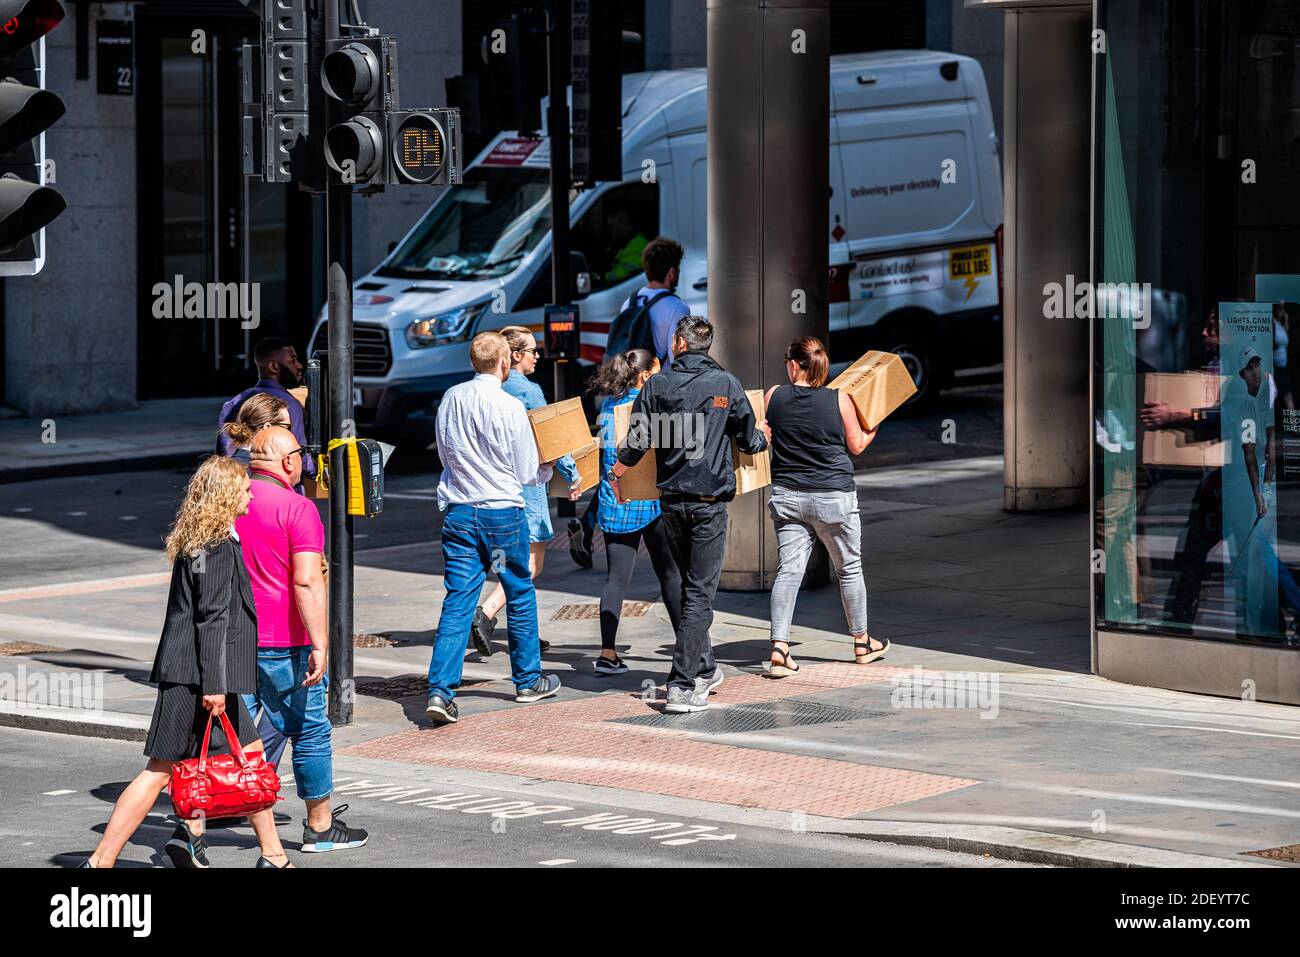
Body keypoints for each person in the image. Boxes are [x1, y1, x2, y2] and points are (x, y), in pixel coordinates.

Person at [82, 457, 291, 869]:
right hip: (196, 678)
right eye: (245, 487)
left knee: (249, 757)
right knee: (160, 770)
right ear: (227, 495)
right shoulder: (215, 547)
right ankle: (100, 862)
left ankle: (273, 856)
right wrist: (215, 685)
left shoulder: (203, 538)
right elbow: (210, 619)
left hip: (200, 673)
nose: (251, 493)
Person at [608, 316, 769, 713]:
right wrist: (763, 432)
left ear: (679, 343)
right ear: (704, 345)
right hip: (709, 505)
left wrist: (617, 473)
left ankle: (707, 666)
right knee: (699, 593)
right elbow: (750, 442)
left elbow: (638, 439)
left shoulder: (657, 385)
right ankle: (681, 685)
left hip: (671, 503)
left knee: (689, 588)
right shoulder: (726, 384)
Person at [237, 426, 368, 853]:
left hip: (237, 637)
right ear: (289, 462)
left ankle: (210, 812)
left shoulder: (229, 501)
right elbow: (307, 582)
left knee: (244, 731)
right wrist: (321, 644)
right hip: (286, 640)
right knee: (310, 730)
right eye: (303, 456)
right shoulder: (298, 508)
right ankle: (320, 827)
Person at [425, 331, 563, 726]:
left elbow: (444, 449)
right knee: (519, 590)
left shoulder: (451, 398)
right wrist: (546, 470)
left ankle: (441, 689)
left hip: (460, 510)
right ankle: (527, 680)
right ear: (505, 362)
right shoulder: (509, 405)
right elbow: (524, 471)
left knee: (458, 599)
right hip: (501, 513)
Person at [762, 336, 885, 677]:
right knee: (849, 568)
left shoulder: (774, 396)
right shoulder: (840, 400)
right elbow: (857, 445)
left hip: (788, 495)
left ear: (795, 365)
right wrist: (873, 423)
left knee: (789, 570)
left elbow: (766, 433)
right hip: (833, 496)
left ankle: (779, 647)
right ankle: (862, 643)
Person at [568, 236, 691, 568]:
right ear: (672, 271)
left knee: (618, 462)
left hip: (621, 394)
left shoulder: (630, 302)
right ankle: (663, 537)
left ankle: (592, 522)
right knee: (652, 466)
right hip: (652, 397)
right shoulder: (676, 308)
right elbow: (674, 360)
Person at [470, 327, 582, 657]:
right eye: (533, 351)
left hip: (494, 486)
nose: (538, 357)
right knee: (531, 566)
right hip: (527, 485)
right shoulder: (529, 391)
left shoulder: (494, 388)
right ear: (515, 355)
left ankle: (521, 633)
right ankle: (488, 614)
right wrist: (573, 474)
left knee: (515, 561)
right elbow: (553, 437)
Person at [587, 348, 682, 674]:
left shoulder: (607, 408)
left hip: (616, 504)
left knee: (615, 579)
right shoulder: (651, 408)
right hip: (652, 503)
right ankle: (688, 648)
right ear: (644, 376)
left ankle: (607, 653)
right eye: (655, 371)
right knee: (670, 575)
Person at [217, 337, 314, 479]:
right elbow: (299, 458)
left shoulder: (231, 404)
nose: (299, 366)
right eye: (292, 361)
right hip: (279, 489)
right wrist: (315, 469)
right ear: (273, 367)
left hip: (236, 488)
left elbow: (222, 455)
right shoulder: (288, 405)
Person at [220, 392, 291, 466]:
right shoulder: (256, 469)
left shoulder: (233, 463)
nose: (290, 433)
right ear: (267, 428)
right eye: (287, 427)